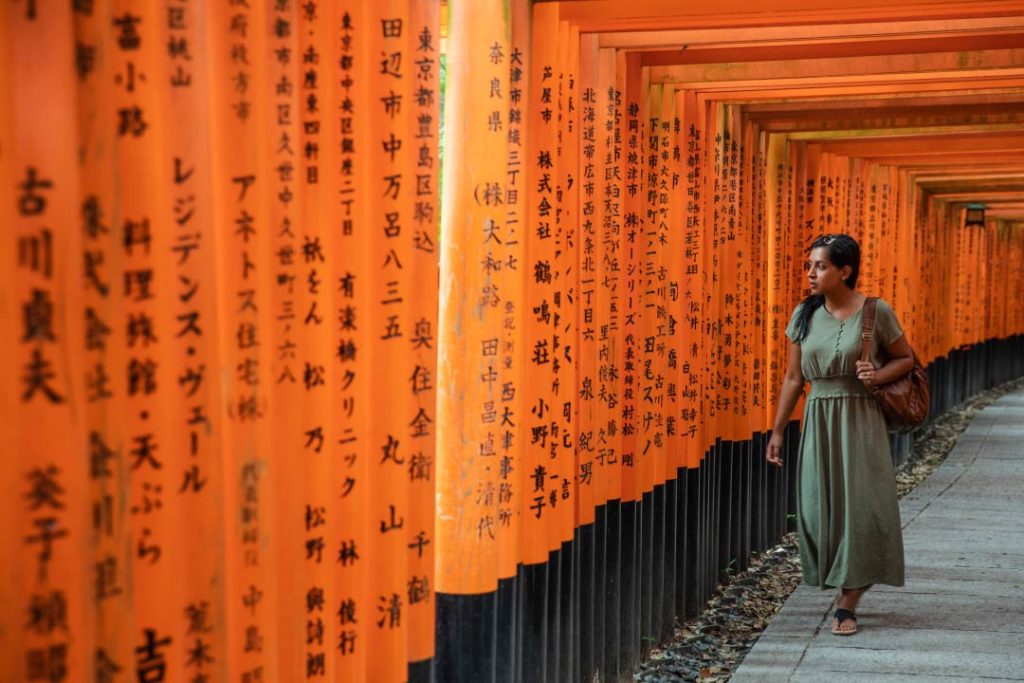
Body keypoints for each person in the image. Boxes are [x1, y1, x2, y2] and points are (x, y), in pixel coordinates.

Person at [765, 233, 914, 636]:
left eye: (821, 266)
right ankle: (838, 577)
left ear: (844, 271)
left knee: (861, 507)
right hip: (819, 417)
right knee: (817, 507)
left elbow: (906, 358)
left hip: (860, 418)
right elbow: (794, 377)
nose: (811, 273)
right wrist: (777, 431)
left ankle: (848, 602)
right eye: (809, 266)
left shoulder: (875, 311)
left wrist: (877, 375)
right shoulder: (804, 315)